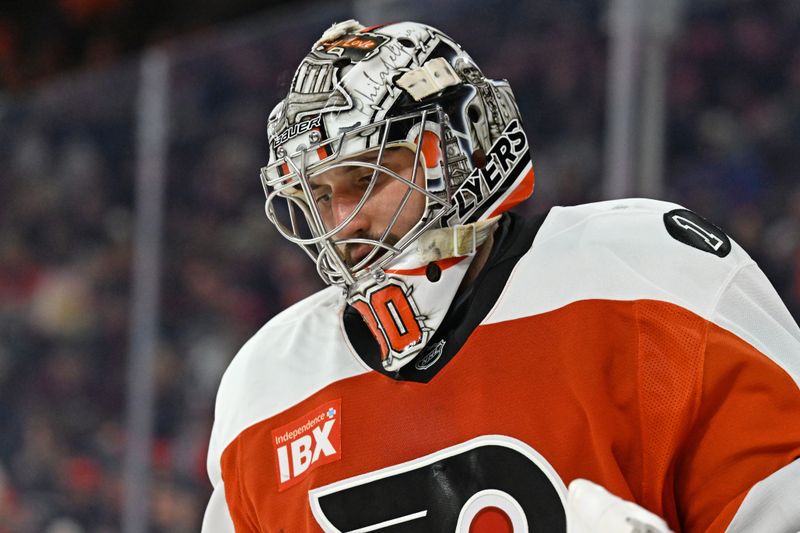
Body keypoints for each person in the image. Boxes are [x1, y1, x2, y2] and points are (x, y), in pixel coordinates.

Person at [202, 19, 800, 532]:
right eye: (320, 194)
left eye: (366, 179)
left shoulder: (645, 280)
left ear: (462, 144)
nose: (342, 223)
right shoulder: (267, 390)